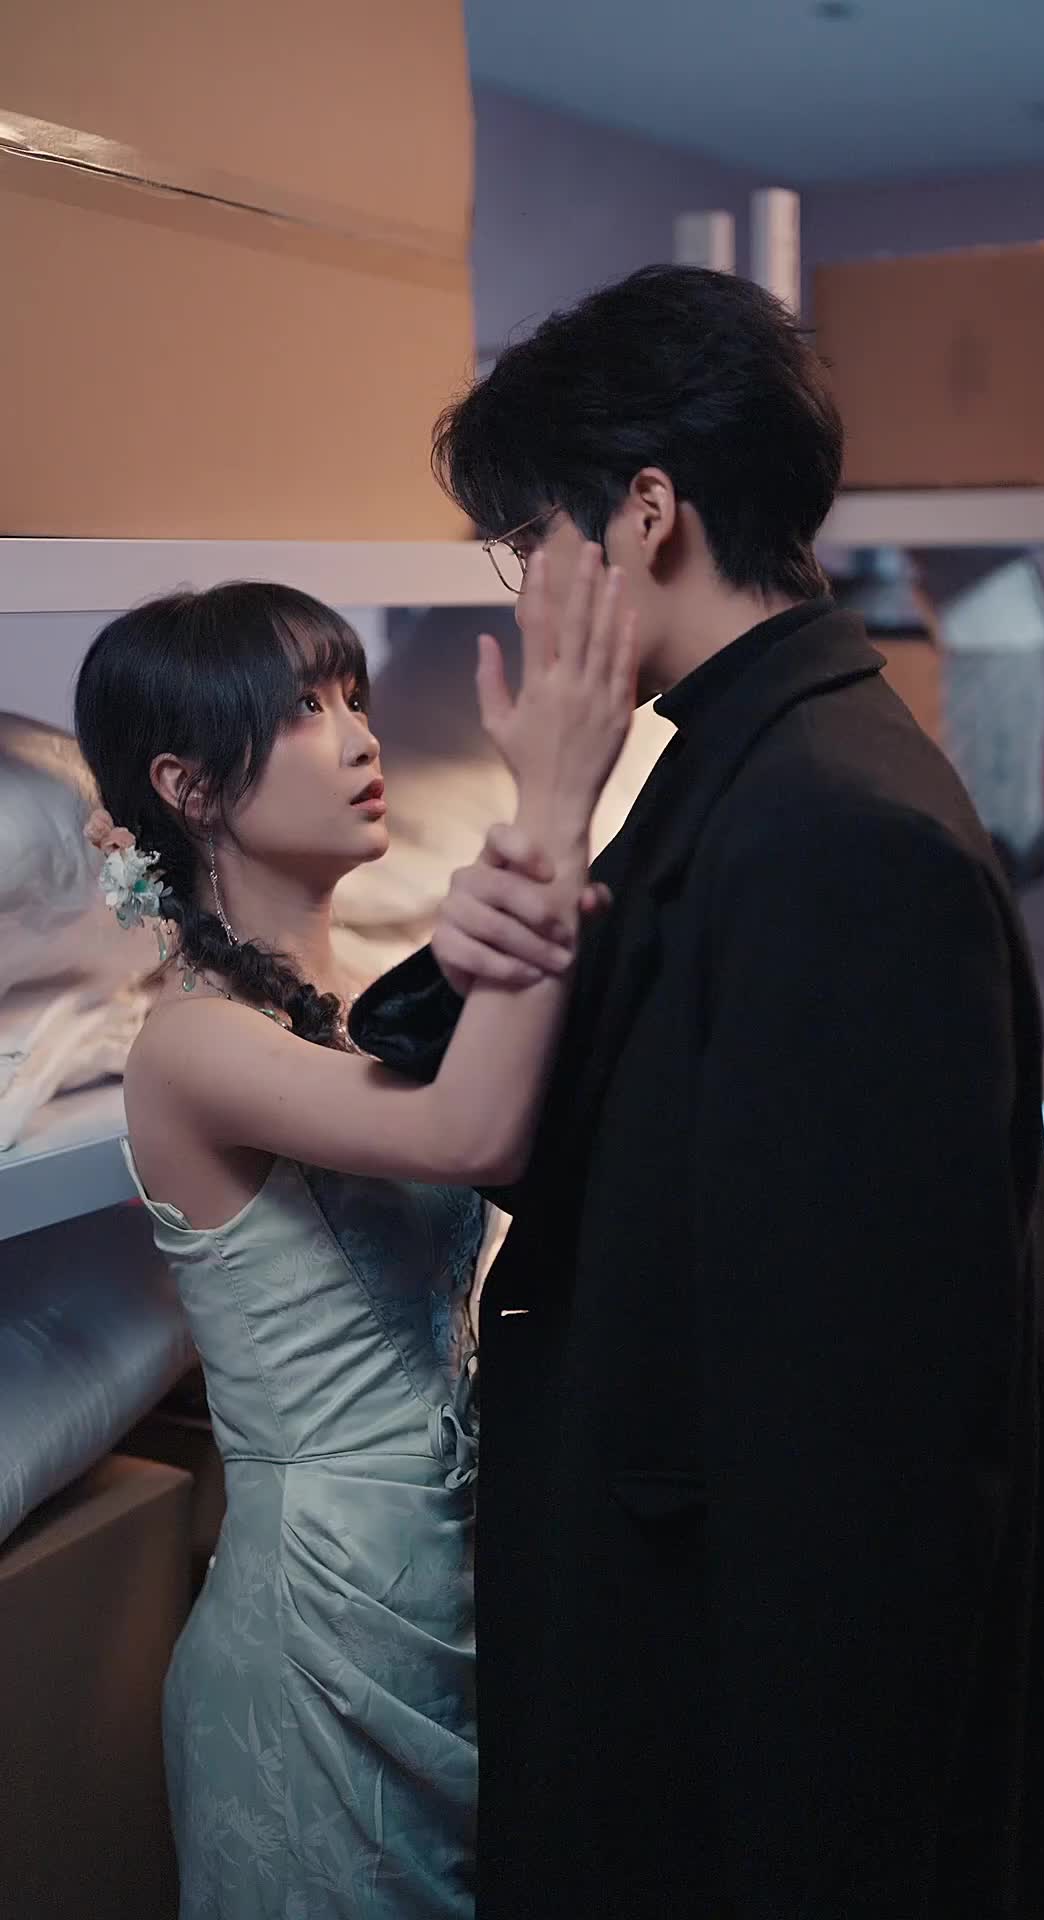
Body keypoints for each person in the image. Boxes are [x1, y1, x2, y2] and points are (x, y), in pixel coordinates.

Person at [350, 266, 1044, 1918]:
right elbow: (515, 1092)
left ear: (645, 513)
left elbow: (868, 1450)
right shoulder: (739, 763)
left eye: (527, 539)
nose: (524, 588)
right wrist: (536, 830)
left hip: (735, 1719)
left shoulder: (836, 826)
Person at [73, 571, 636, 1920]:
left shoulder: (353, 1009)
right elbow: (470, 1135)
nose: (362, 736)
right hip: (318, 1628)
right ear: (188, 788)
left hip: (458, 1578)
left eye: (353, 696)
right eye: (304, 710)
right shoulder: (191, 1045)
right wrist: (553, 805)